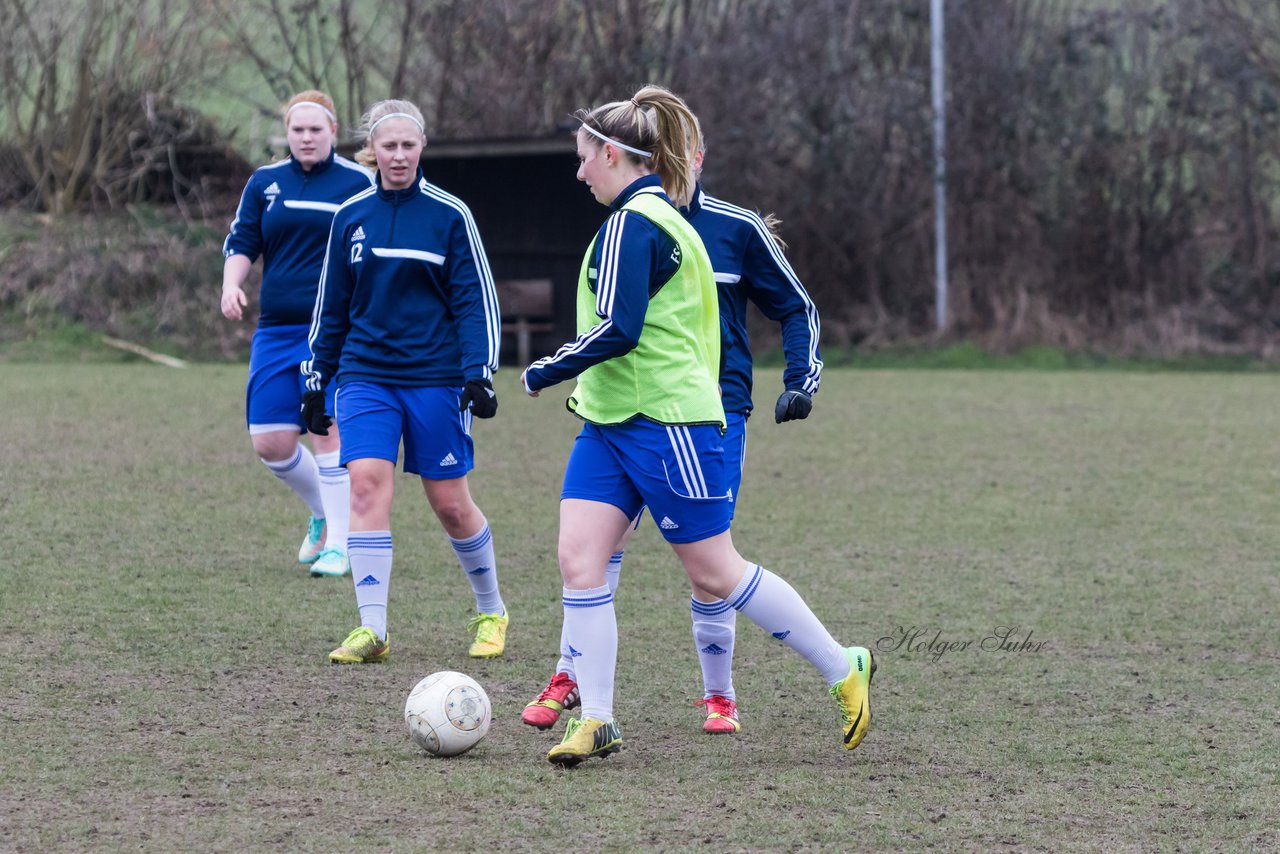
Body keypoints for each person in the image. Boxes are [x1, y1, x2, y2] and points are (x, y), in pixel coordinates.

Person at [521, 84, 874, 766]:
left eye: (583, 157)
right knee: (581, 559)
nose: (578, 171)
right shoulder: (645, 216)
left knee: (714, 571)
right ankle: (596, 718)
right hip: (610, 421)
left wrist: (546, 368)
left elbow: (620, 329)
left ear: (615, 155)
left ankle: (841, 666)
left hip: (667, 421)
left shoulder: (640, 222)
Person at [300, 99, 508, 664]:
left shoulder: (450, 215)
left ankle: (491, 609)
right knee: (366, 483)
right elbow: (332, 304)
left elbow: (473, 300)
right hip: (366, 374)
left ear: (421, 148)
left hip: (435, 378)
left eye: (408, 145)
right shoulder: (351, 216)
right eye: (388, 146)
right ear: (373, 149)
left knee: (450, 504)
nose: (398, 155)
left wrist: (478, 373)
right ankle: (373, 629)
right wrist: (316, 378)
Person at [221, 90, 374, 579]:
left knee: (324, 431)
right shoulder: (265, 182)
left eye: (315, 130)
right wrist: (231, 285)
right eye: (297, 130)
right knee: (270, 442)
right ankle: (324, 515)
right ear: (286, 134)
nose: (306, 138)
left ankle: (340, 545)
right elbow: (244, 240)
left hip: (333, 331)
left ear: (333, 132)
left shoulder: (359, 183)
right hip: (275, 327)